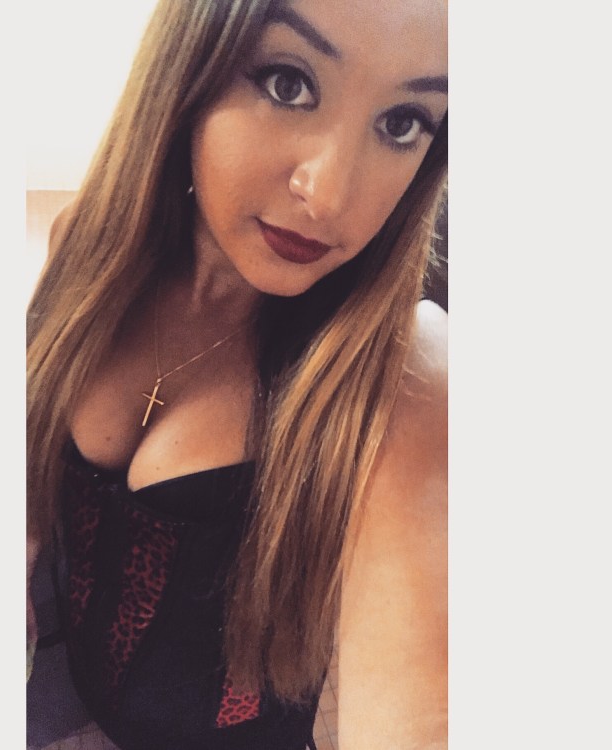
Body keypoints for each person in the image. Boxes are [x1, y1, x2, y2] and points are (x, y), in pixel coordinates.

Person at [27, 0, 448, 748]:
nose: (330, 194)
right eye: (289, 83)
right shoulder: (83, 247)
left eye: (402, 123)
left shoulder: (410, 381)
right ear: (189, 65)